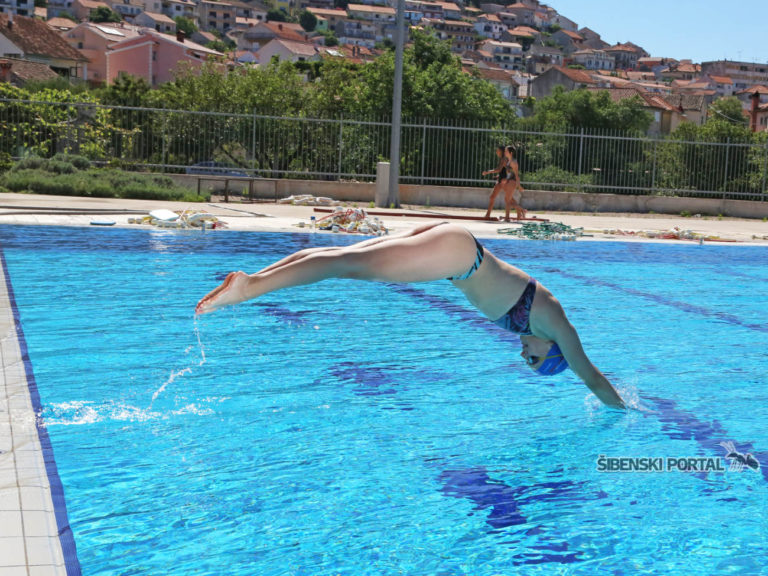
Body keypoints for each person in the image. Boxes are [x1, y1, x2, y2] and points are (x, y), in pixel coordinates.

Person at [196, 223, 625, 409]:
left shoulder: (536, 327)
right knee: (348, 266)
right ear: (553, 353)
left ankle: (254, 279)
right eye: (533, 360)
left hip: (456, 251)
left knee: (345, 257)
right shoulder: (556, 324)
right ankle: (249, 289)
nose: (523, 357)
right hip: (457, 256)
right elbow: (591, 376)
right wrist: (625, 412)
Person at [481, 146, 510, 220]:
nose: (496, 152)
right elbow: (504, 170)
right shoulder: (503, 158)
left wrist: (488, 172)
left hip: (504, 181)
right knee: (492, 197)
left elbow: (499, 169)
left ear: (502, 151)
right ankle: (487, 215)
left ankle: (521, 210)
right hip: (501, 180)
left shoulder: (504, 159)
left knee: (510, 199)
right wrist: (498, 176)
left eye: (498, 151)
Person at [503, 145, 527, 222]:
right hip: (508, 181)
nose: (505, 152)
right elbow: (508, 173)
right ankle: (520, 213)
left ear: (511, 152)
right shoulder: (509, 161)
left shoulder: (513, 162)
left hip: (512, 182)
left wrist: (519, 186)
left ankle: (507, 218)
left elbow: (516, 175)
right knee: (510, 200)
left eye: (506, 151)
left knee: (507, 200)